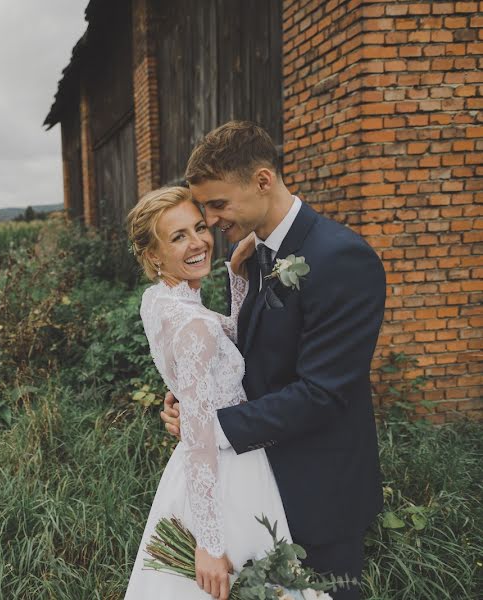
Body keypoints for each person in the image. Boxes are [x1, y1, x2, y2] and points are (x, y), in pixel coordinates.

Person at [161, 121, 386, 600]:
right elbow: (253, 358)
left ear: (263, 181)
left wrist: (211, 426)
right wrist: (194, 392)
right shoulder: (254, 255)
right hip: (259, 488)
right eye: (206, 209)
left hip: (319, 492)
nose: (214, 220)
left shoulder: (340, 258)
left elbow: (322, 392)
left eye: (219, 205)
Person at [123, 186, 291, 600]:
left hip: (193, 472)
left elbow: (223, 334)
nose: (198, 242)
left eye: (199, 227)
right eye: (178, 236)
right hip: (228, 472)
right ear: (153, 256)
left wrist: (236, 272)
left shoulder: (159, 300)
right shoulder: (191, 324)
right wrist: (210, 544)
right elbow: (199, 437)